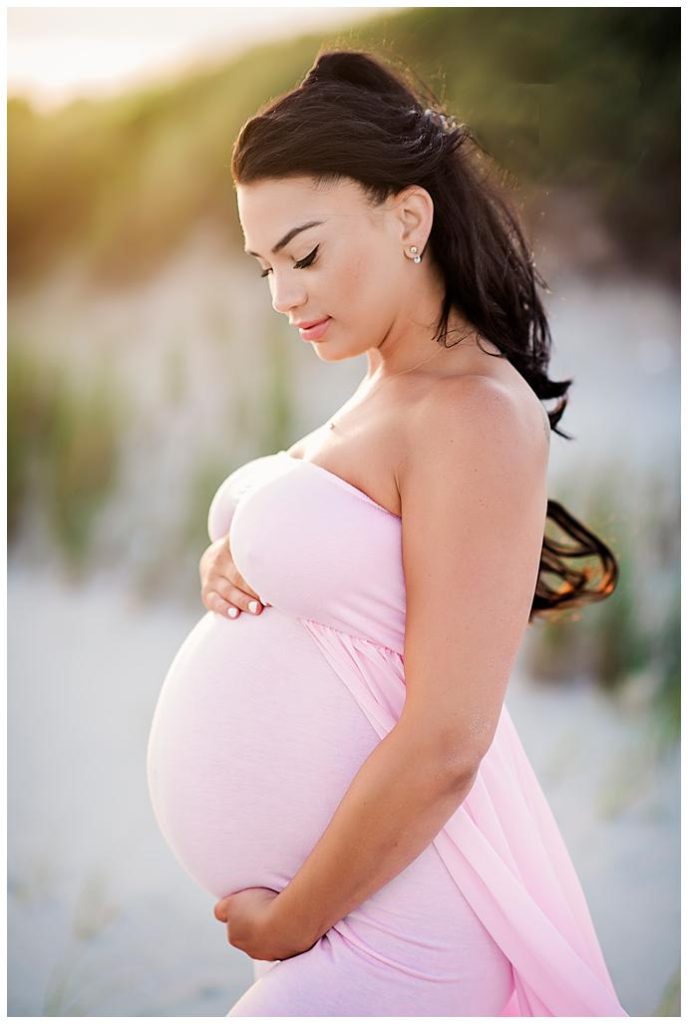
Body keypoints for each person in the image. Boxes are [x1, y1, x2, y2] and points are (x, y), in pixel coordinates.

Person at [147, 48, 628, 1016]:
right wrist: (233, 559)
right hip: (355, 911)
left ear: (409, 217)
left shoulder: (476, 414)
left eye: (306, 253)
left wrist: (292, 923)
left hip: (401, 928)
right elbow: (357, 579)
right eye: (265, 266)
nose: (283, 296)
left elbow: (450, 739)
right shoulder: (386, 380)